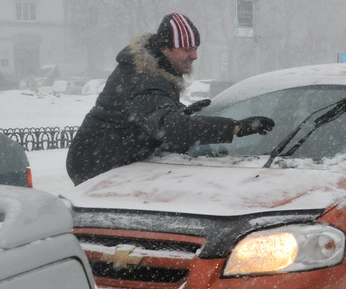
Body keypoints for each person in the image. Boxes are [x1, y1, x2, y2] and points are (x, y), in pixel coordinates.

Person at [66, 13, 274, 185]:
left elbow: (148, 112)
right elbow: (171, 129)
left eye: (196, 48)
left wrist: (180, 111)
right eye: (187, 48)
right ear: (165, 48)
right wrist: (235, 128)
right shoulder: (146, 79)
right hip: (98, 165)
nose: (194, 56)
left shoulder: (151, 71)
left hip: (110, 159)